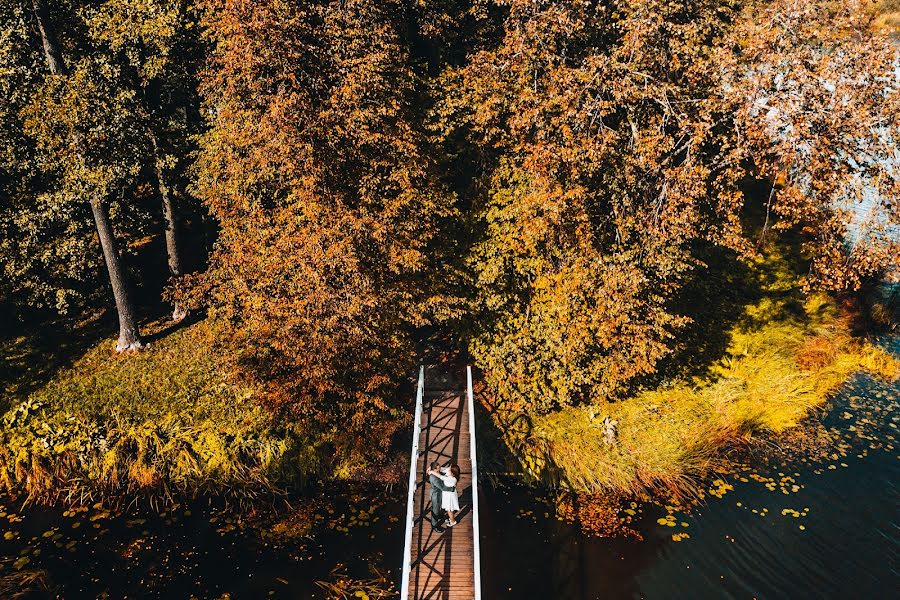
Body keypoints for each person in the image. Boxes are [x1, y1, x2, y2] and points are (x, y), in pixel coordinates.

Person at [428, 461, 452, 531]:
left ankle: (439, 515)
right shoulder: (434, 478)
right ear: (434, 469)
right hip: (436, 495)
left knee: (438, 507)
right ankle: (434, 526)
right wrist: (451, 489)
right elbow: (442, 487)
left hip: (439, 493)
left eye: (439, 468)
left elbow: (442, 470)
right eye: (438, 469)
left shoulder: (435, 471)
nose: (439, 469)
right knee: (435, 510)